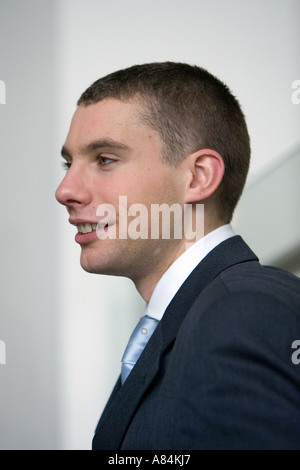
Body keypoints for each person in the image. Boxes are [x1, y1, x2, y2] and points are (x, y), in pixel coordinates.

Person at [55, 62, 300, 450]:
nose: (65, 189)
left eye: (104, 159)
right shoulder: (192, 319)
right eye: (69, 164)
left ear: (198, 177)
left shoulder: (243, 313)